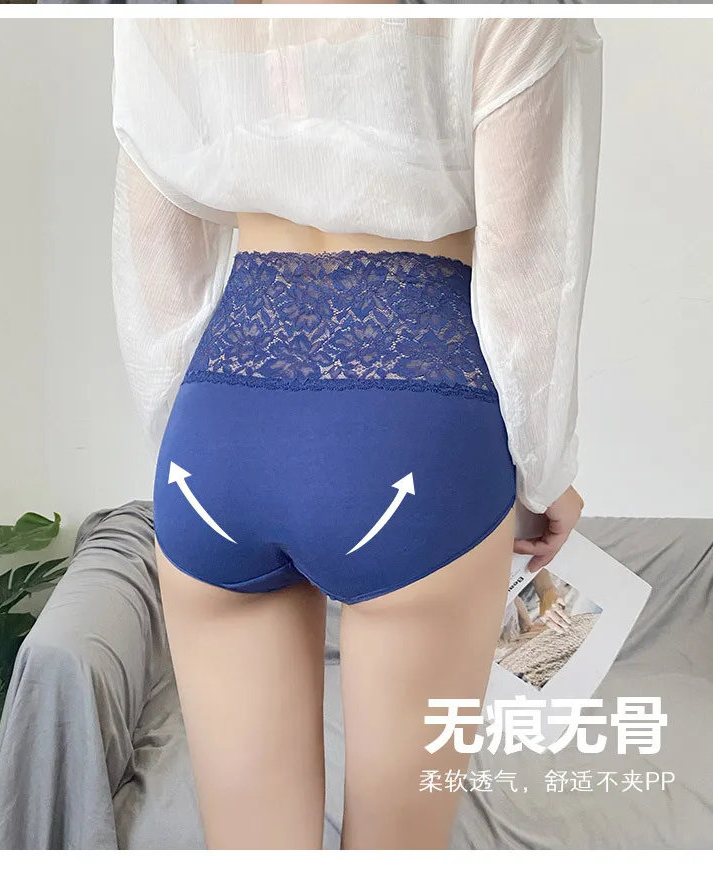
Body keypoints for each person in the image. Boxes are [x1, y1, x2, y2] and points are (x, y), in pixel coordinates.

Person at [110, 17, 602, 850]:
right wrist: (543, 471)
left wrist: (197, 444)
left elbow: (156, 249)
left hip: (216, 428)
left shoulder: (169, 15)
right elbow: (527, 263)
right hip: (417, 421)